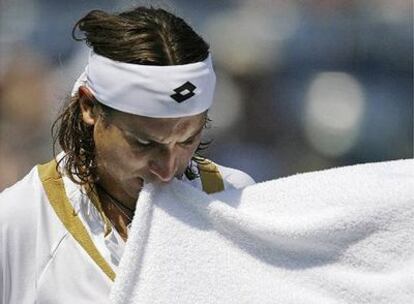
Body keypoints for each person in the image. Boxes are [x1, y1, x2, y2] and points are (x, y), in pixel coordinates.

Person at [0, 6, 254, 303]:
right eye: (144, 144)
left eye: (188, 140)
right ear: (89, 107)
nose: (168, 168)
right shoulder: (16, 222)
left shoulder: (236, 198)